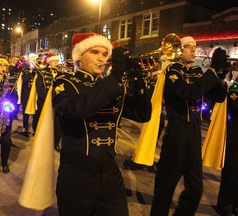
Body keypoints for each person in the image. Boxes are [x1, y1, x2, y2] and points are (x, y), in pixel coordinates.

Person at [52, 33, 152, 216]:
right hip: (77, 175)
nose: (102, 58)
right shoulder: (64, 83)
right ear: (79, 57)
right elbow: (76, 109)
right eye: (95, 52)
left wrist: (138, 81)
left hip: (110, 173)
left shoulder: (109, 86)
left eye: (105, 54)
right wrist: (114, 77)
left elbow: (142, 114)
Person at [150, 36, 228, 216]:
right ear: (178, 50)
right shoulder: (172, 71)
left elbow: (218, 97)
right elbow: (189, 92)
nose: (194, 50)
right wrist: (212, 69)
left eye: (195, 46)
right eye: (188, 47)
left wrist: (221, 76)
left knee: (195, 190)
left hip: (193, 132)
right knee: (165, 189)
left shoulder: (197, 71)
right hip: (177, 132)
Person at [216, 63, 238, 216]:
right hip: (236, 135)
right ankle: (224, 204)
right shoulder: (235, 87)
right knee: (231, 170)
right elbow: (234, 105)